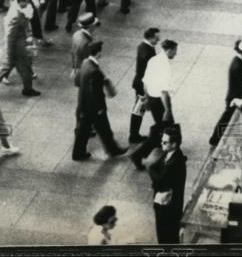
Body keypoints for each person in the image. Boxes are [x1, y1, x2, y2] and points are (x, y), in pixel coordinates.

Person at [72, 40, 128, 161]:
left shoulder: (85, 62)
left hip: (84, 104)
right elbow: (95, 93)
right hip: (94, 108)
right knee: (102, 129)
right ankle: (113, 150)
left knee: (85, 131)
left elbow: (78, 80)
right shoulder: (95, 71)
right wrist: (100, 109)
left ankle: (78, 153)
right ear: (98, 53)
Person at [131, 40, 178, 170]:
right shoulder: (165, 66)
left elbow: (145, 81)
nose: (176, 54)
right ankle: (139, 155)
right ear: (169, 50)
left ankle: (164, 148)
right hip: (160, 102)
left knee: (163, 129)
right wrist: (167, 110)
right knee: (166, 130)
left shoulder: (153, 60)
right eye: (175, 51)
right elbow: (164, 92)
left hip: (151, 98)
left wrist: (146, 98)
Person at [0, 0, 41, 97]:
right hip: (16, 49)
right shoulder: (16, 16)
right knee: (5, 69)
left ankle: (28, 89)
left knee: (23, 69)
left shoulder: (18, 10)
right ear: (20, 1)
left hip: (19, 47)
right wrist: (10, 53)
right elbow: (10, 36)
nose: (27, 2)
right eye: (25, 0)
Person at [148, 124, 187, 244]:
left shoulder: (174, 163)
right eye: (162, 141)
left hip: (168, 208)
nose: (161, 144)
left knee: (166, 236)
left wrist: (153, 175)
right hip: (165, 203)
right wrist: (154, 173)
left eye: (165, 142)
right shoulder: (170, 153)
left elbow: (158, 179)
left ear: (174, 144)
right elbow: (154, 167)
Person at [209, 38, 242, 147]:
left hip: (233, 96)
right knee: (226, 119)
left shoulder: (238, 61)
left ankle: (215, 138)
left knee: (227, 118)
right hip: (234, 97)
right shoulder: (238, 66)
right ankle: (214, 139)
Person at [129, 27, 160, 143]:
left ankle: (134, 134)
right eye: (156, 38)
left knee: (139, 109)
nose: (158, 40)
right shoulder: (148, 53)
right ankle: (134, 135)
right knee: (139, 109)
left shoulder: (142, 46)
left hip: (139, 83)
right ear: (151, 38)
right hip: (144, 86)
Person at [71, 12, 100, 84]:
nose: (95, 27)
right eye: (94, 25)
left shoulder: (76, 34)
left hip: (77, 67)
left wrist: (73, 68)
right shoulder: (86, 42)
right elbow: (87, 60)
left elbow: (72, 52)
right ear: (91, 27)